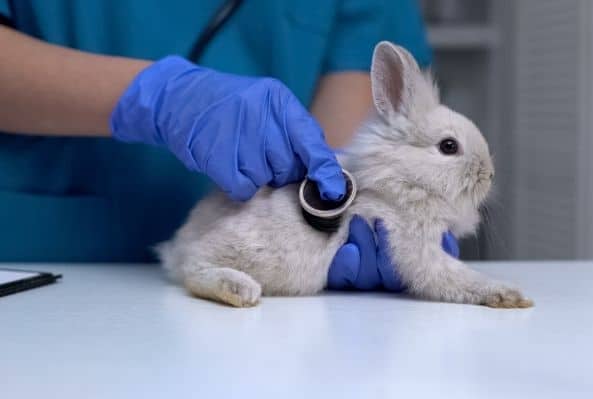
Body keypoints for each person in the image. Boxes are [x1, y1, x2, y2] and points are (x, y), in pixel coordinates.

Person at [0, 0, 455, 290]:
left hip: (247, 300)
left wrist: (333, 224)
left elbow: (347, 121)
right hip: (38, 273)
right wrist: (158, 98)